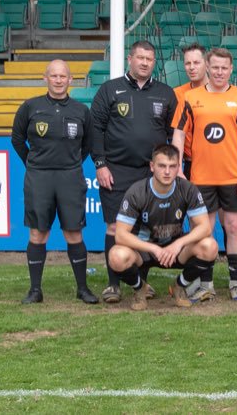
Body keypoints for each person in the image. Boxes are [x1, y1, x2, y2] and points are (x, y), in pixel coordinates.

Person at [171, 47, 237, 301]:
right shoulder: (190, 98)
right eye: (215, 67)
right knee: (204, 231)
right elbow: (178, 133)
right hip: (200, 178)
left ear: (231, 69)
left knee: (234, 227)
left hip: (234, 177)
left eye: (225, 68)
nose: (220, 72)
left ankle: (236, 281)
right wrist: (178, 168)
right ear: (207, 68)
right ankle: (206, 283)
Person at [89, 40, 175, 304]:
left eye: (149, 59)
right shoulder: (110, 90)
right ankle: (113, 284)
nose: (145, 63)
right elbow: (95, 129)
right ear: (130, 59)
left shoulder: (165, 93)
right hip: (116, 171)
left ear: (154, 62)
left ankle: (142, 283)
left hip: (151, 174)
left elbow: (173, 135)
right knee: (115, 226)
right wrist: (100, 164)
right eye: (140, 58)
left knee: (145, 228)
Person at [11, 60, 98, 305]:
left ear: (71, 80)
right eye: (54, 76)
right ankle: (35, 290)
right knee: (38, 232)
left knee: (73, 231)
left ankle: (82, 289)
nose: (58, 80)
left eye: (63, 76)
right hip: (39, 177)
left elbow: (88, 144)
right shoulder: (30, 107)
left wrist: (70, 163)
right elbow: (17, 139)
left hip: (70, 177)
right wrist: (33, 162)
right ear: (45, 78)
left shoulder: (81, 110)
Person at [105, 145, 220, 311]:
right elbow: (121, 235)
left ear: (178, 167)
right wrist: (153, 248)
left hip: (175, 250)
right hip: (144, 250)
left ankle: (179, 286)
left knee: (210, 246)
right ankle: (140, 288)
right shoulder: (137, 192)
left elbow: (205, 228)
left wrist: (179, 244)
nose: (167, 172)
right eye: (162, 166)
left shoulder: (187, 189)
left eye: (172, 166)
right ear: (152, 166)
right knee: (116, 256)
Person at [173, 44, 209, 175]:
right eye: (187, 63)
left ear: (207, 64)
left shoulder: (221, 92)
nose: (192, 67)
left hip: (218, 164)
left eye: (196, 62)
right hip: (189, 164)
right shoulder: (176, 94)